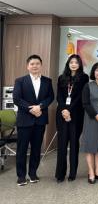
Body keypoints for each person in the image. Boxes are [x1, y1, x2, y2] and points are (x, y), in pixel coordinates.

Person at [13, 54, 54, 186]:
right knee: (22, 149)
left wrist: (40, 107)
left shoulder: (47, 81)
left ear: (41, 65)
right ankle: (21, 176)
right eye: (32, 64)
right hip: (25, 120)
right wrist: (31, 109)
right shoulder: (20, 81)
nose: (35, 66)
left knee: (36, 148)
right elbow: (17, 99)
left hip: (40, 120)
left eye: (37, 63)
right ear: (28, 66)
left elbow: (50, 97)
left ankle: (33, 173)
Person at [55, 54, 89, 182]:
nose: (73, 64)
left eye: (76, 62)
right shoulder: (61, 78)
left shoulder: (84, 78)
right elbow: (59, 95)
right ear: (68, 64)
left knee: (74, 144)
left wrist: (69, 110)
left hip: (76, 114)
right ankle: (60, 174)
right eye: (71, 62)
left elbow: (81, 96)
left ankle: (72, 173)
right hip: (61, 114)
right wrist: (64, 109)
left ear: (80, 64)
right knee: (62, 144)